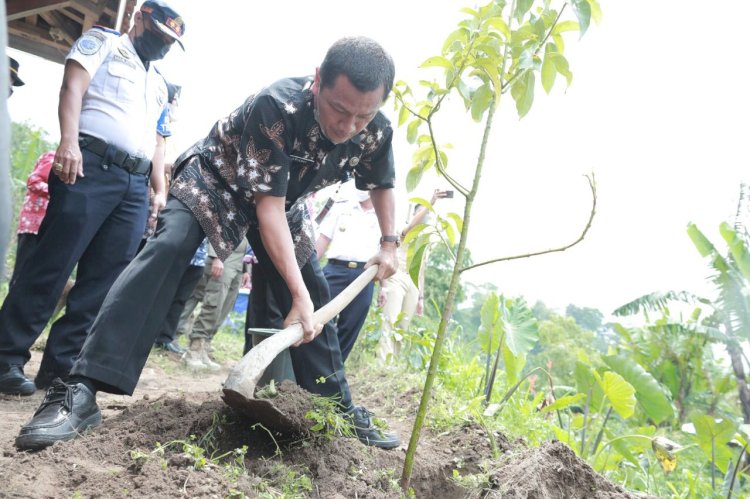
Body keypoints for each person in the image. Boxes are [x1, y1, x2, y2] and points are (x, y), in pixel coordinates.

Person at [15, 36, 401, 451]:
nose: (348, 126)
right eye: (339, 110)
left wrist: (389, 243)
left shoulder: (374, 130)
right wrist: (297, 295)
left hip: (283, 202)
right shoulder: (279, 106)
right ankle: (80, 389)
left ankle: (338, 409)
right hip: (215, 180)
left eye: (362, 116)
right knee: (169, 247)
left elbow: (381, 183)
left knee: (316, 296)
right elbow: (264, 207)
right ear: (318, 81)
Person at [0, 0, 185, 396]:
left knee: (102, 282)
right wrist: (68, 141)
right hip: (89, 167)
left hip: (134, 186)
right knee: (52, 264)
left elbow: (158, 142)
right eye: (160, 35)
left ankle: (59, 371)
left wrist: (158, 191)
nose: (164, 45)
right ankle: (6, 356)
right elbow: (72, 87)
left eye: (171, 42)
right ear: (140, 19)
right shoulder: (102, 43)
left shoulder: (160, 83)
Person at [377, 189, 450, 361]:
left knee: (403, 325)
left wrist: (421, 298)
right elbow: (411, 227)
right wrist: (430, 202)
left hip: (413, 282)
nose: (425, 216)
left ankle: (393, 362)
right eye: (421, 212)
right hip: (396, 276)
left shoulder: (426, 240)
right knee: (391, 320)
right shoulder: (403, 228)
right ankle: (382, 363)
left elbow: (421, 270)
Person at [315, 188, 380, 361]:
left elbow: (386, 253)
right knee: (319, 319)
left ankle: (334, 372)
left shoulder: (385, 214)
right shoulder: (342, 206)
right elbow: (322, 240)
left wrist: (385, 288)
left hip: (364, 275)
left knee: (351, 325)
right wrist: (308, 272)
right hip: (335, 270)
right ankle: (312, 365)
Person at [181, 239, 251, 371]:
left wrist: (245, 269)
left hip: (239, 260)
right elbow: (220, 223)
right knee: (214, 303)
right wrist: (217, 256)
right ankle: (194, 350)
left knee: (225, 307)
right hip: (224, 256)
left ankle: (204, 349)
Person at [151, 239, 209, 354]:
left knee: (180, 301)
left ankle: (165, 339)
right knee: (162, 296)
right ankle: (150, 336)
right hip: (178, 254)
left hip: (199, 259)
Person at [10, 151, 55, 287]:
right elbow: (34, 181)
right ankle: (10, 307)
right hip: (33, 225)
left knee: (34, 275)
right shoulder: (53, 158)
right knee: (22, 271)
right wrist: (59, 192)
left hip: (49, 227)